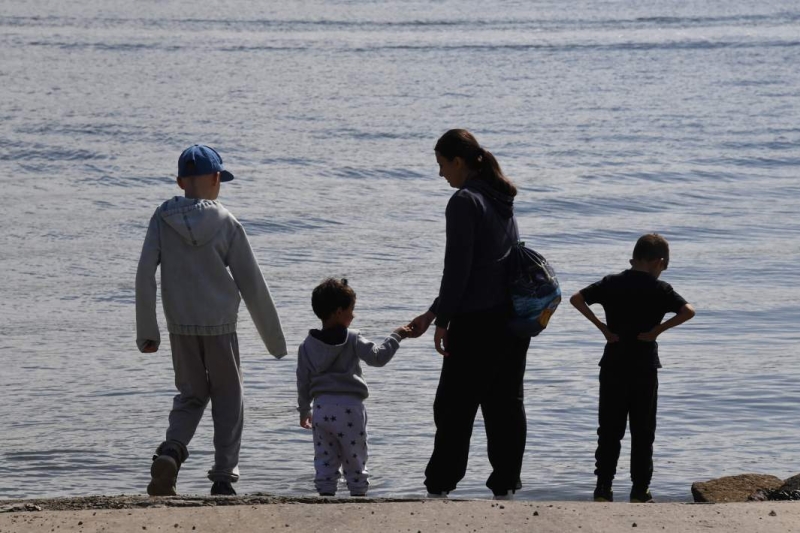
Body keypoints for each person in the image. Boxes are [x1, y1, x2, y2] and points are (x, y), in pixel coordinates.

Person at [136, 144, 287, 497]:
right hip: (219, 325)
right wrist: (274, 341)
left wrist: (148, 331)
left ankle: (172, 449)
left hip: (179, 326)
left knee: (190, 395)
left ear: (179, 182)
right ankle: (222, 477)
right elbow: (252, 282)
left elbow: (145, 274)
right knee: (228, 399)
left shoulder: (161, 218)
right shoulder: (226, 221)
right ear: (217, 179)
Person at [407, 129, 531, 500]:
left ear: (458, 162)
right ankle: (506, 484)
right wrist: (433, 312)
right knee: (505, 404)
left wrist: (443, 321)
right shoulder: (500, 198)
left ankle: (440, 485)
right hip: (511, 321)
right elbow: (483, 266)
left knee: (453, 406)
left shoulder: (464, 201)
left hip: (476, 322)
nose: (441, 174)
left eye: (442, 165)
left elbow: (458, 269)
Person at [569, 233, 695, 503]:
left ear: (633, 258)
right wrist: (657, 330)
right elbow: (688, 311)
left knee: (609, 429)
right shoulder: (660, 290)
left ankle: (603, 487)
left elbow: (576, 299)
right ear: (659, 262)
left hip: (613, 362)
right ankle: (640, 490)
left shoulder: (612, 283)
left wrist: (603, 328)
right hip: (644, 366)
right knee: (643, 430)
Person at [296, 278, 411, 497]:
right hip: (350, 408)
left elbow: (302, 380)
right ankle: (358, 496)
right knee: (355, 457)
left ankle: (325, 496)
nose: (353, 314)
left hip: (321, 409)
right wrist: (397, 336)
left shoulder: (307, 345)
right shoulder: (352, 338)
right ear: (339, 312)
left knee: (325, 458)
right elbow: (378, 358)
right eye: (352, 309)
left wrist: (304, 410)